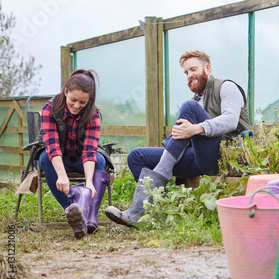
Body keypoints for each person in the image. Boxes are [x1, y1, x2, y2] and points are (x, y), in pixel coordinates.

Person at [105, 50, 252, 228]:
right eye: (186, 72)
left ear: (207, 68)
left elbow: (230, 120)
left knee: (188, 107)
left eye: (193, 69)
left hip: (224, 156)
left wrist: (196, 128)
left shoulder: (226, 87)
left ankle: (141, 204)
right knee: (136, 156)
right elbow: (186, 136)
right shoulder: (197, 100)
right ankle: (163, 214)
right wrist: (183, 135)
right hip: (198, 157)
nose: (189, 75)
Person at [38, 69, 112, 239]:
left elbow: (89, 150)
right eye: (73, 100)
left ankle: (89, 215)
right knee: (44, 158)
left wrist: (89, 183)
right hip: (59, 159)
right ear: (66, 92)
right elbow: (52, 144)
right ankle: (71, 210)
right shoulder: (50, 108)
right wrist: (62, 175)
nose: (77, 106)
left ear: (90, 100)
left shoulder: (93, 114)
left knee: (100, 159)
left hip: (80, 159)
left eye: (83, 102)